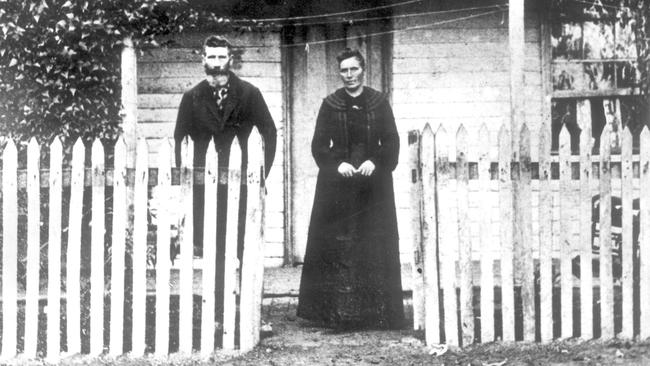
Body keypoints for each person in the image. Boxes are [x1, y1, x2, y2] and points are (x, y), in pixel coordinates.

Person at [173, 35, 277, 329]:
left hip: (243, 186)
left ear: (230, 60)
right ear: (202, 59)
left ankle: (250, 314)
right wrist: (191, 180)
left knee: (246, 250)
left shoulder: (249, 94)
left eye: (222, 57)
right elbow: (181, 140)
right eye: (212, 57)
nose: (217, 64)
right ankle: (218, 315)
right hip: (207, 189)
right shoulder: (191, 97)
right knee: (214, 251)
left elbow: (269, 132)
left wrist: (258, 175)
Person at [297, 48, 404, 330]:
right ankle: (336, 315)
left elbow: (392, 142)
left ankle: (377, 314)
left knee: (374, 243)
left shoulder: (379, 102)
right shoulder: (330, 104)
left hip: (374, 187)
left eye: (353, 69)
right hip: (338, 189)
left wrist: (375, 161)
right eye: (344, 70)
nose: (349, 76)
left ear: (363, 69)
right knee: (337, 246)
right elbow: (319, 145)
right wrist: (337, 164)